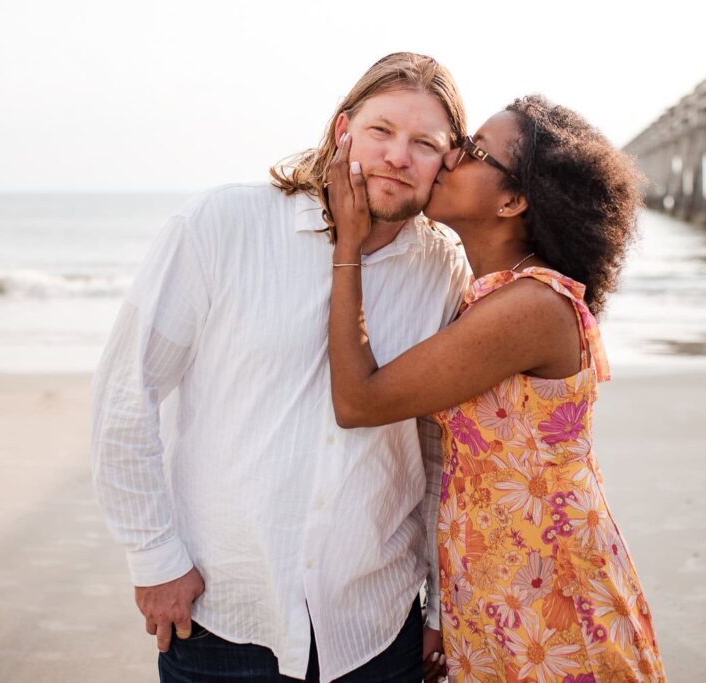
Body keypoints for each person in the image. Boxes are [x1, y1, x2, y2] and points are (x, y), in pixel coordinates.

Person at [91, 52, 470, 683]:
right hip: (223, 614)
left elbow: (437, 446)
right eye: (381, 131)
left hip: (376, 628)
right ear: (342, 128)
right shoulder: (222, 224)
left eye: (424, 143)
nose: (398, 156)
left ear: (446, 161)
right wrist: (153, 558)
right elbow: (128, 393)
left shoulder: (442, 267)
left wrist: (440, 598)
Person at [326, 95, 667, 681]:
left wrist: (349, 247)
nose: (452, 155)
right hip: (498, 579)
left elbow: (359, 401)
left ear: (512, 200)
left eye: (475, 150)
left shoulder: (530, 306)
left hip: (548, 591)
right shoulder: (486, 294)